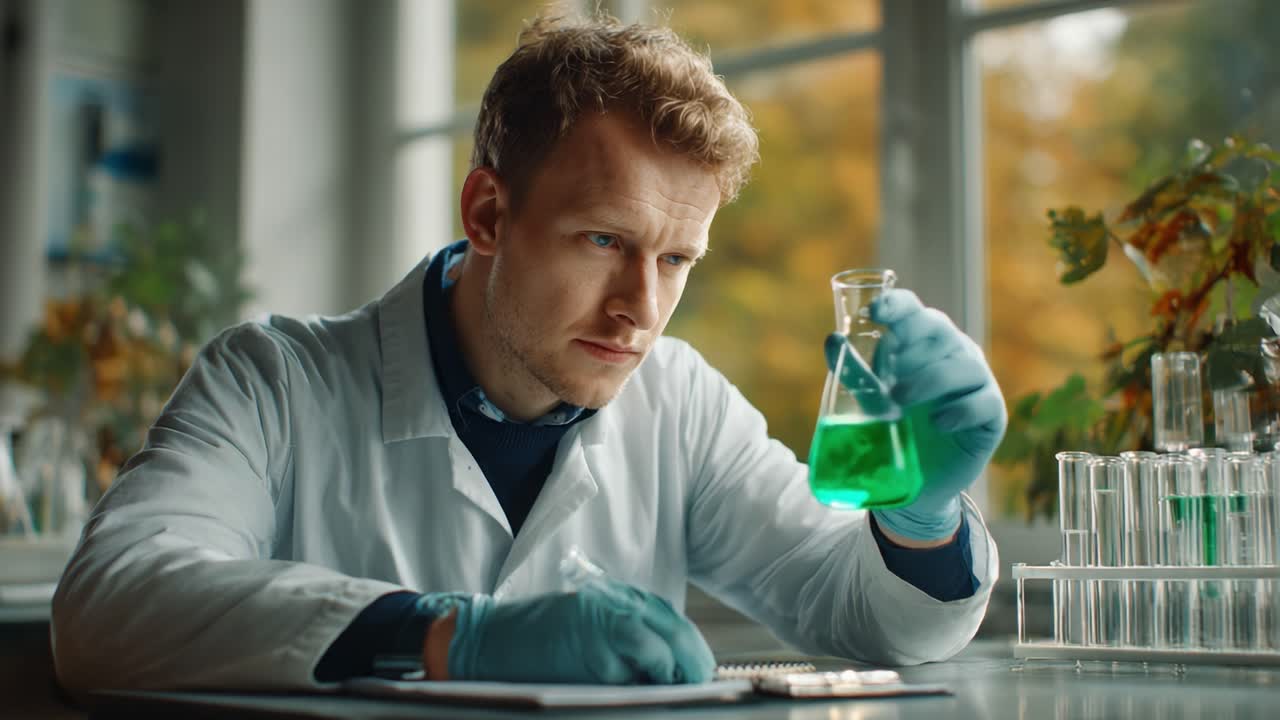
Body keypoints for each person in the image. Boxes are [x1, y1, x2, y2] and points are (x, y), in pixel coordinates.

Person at [51, 13, 1006, 691]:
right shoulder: (273, 382)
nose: (640, 308)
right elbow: (108, 605)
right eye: (604, 241)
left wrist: (919, 521)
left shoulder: (681, 403)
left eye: (676, 260)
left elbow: (872, 623)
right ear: (488, 213)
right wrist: (444, 637)